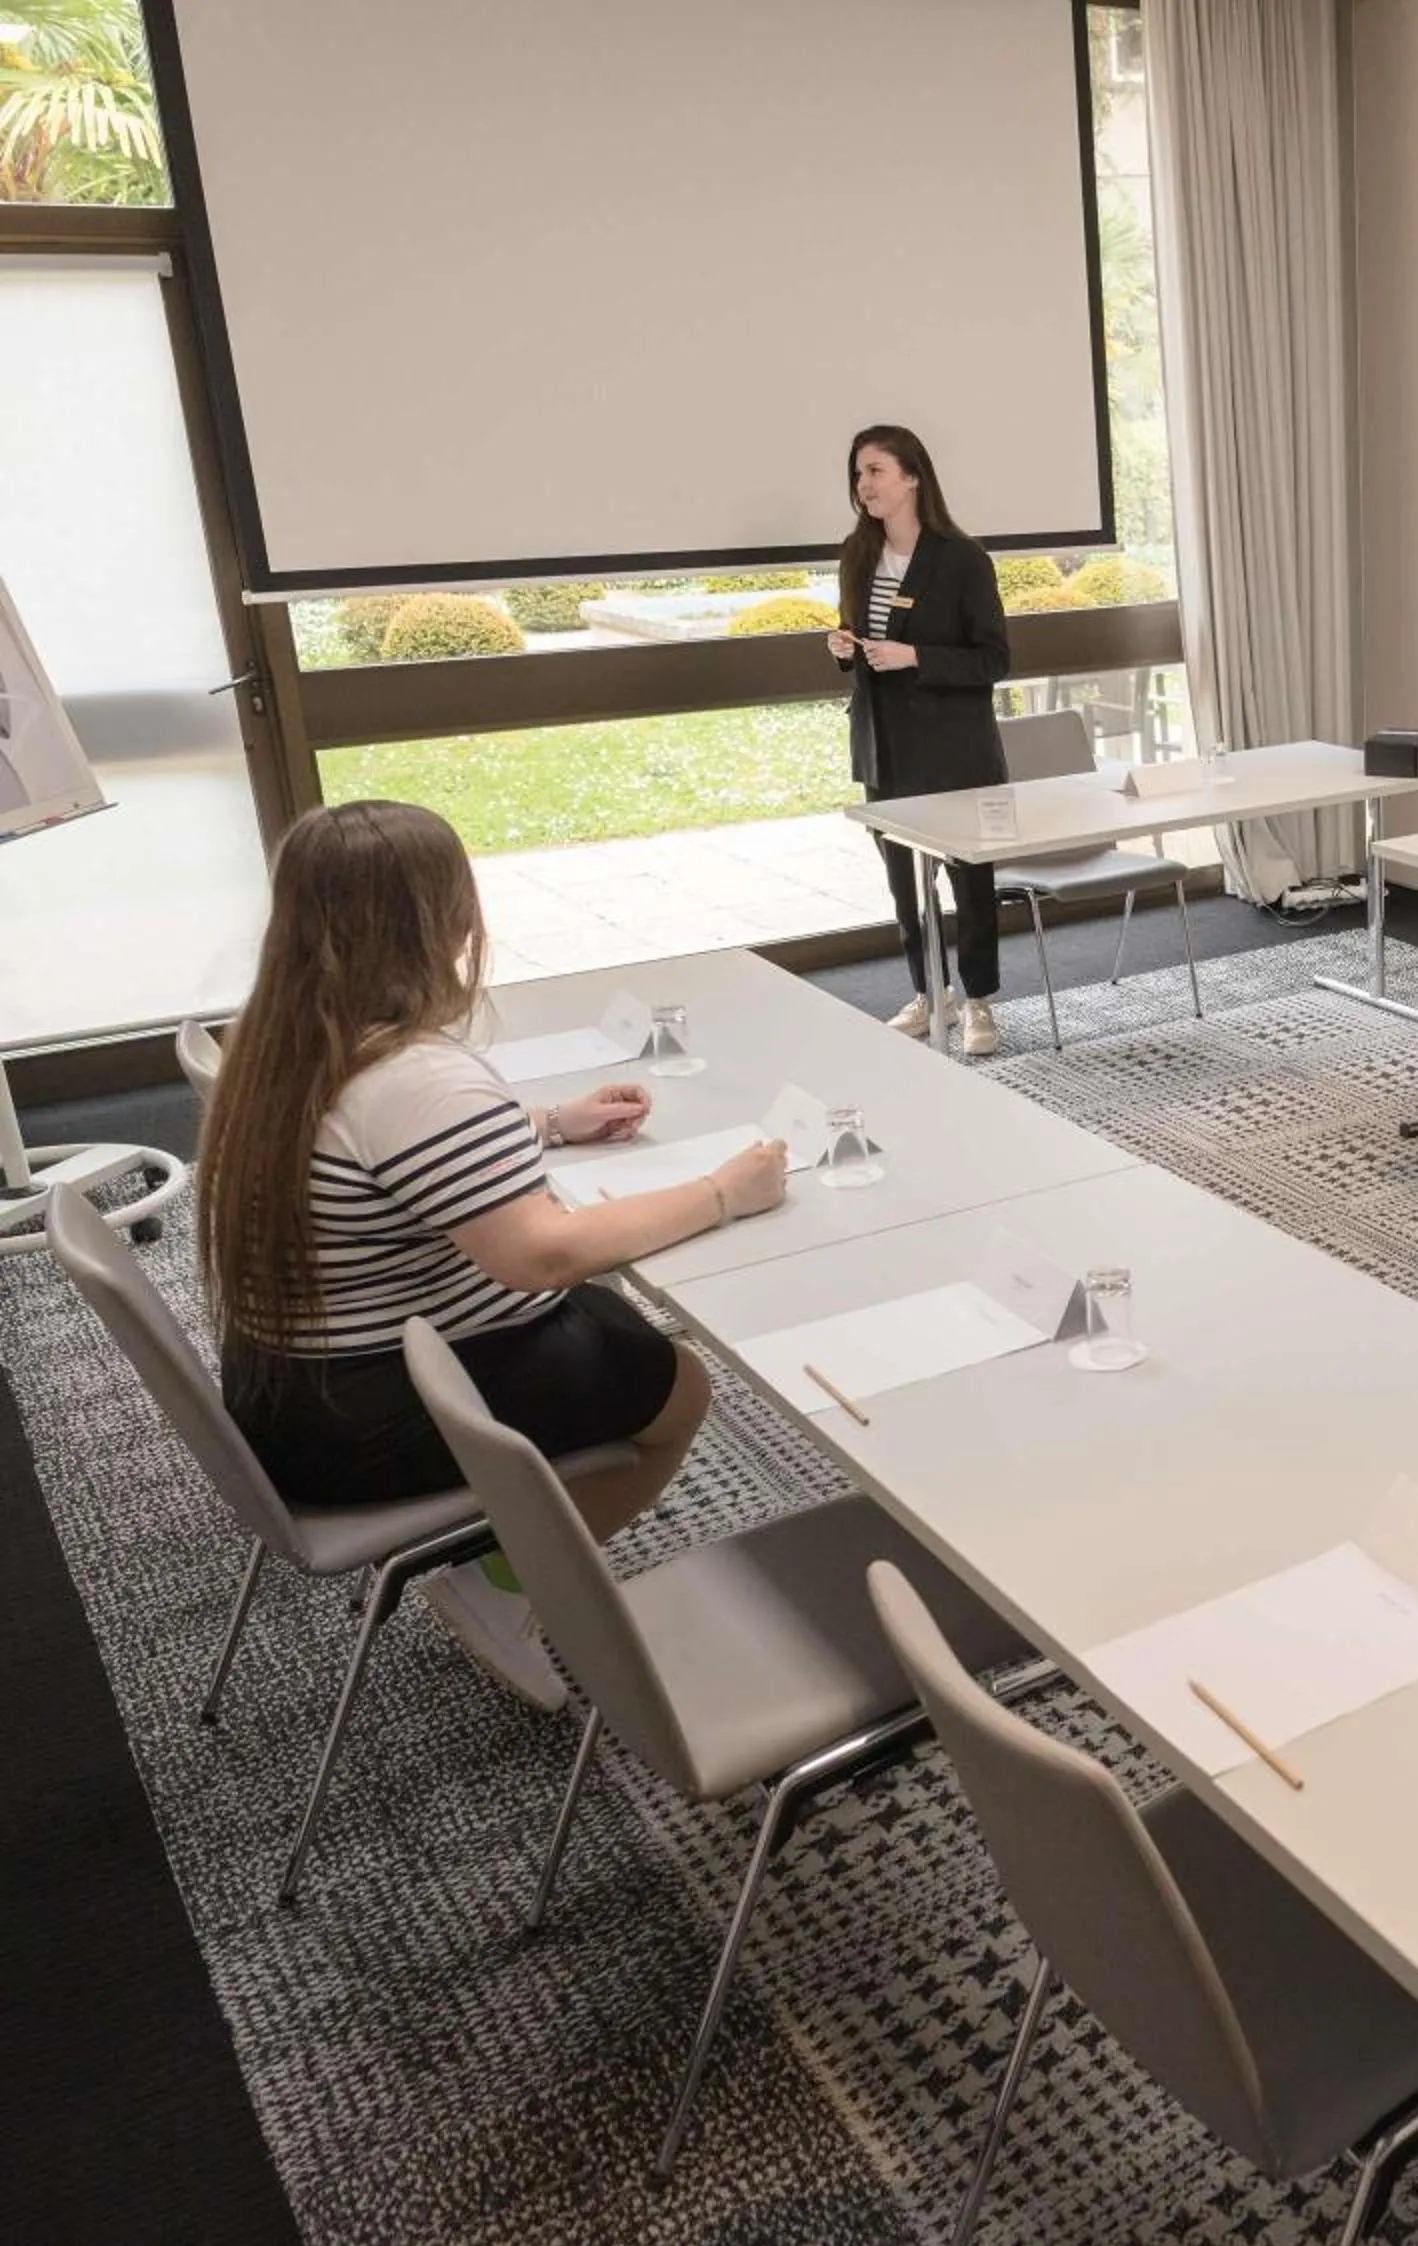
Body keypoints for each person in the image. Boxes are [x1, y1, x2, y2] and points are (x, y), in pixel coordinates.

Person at [195, 801, 788, 1709]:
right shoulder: (418, 1079)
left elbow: (394, 1159)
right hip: (360, 1416)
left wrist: (547, 1124)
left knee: (615, 1323)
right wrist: (721, 1194)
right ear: (450, 919)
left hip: (290, 1382)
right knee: (678, 1383)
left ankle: (500, 1552)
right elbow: (540, 1257)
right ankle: (498, 1583)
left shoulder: (284, 1035)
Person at [828, 423, 1015, 1056]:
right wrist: (844, 648)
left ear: (911, 477)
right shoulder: (858, 553)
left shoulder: (962, 559)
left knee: (970, 879)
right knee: (905, 885)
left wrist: (914, 656)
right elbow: (861, 635)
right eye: (858, 474)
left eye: (875, 471)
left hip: (955, 746)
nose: (863, 485)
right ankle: (930, 994)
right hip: (885, 743)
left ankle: (981, 1000)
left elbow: (993, 660)